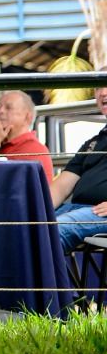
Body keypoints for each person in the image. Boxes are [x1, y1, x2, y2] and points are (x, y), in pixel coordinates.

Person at [48, 86, 107, 252]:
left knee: (54, 230)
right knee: (25, 227)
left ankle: (43, 278)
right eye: (98, 87)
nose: (102, 92)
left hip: (99, 213)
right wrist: (37, 211)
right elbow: (62, 186)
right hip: (80, 210)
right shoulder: (93, 142)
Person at [0, 90, 54, 185]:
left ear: (27, 117)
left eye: (8, 108)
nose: (0, 111)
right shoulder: (1, 145)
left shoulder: (34, 150)